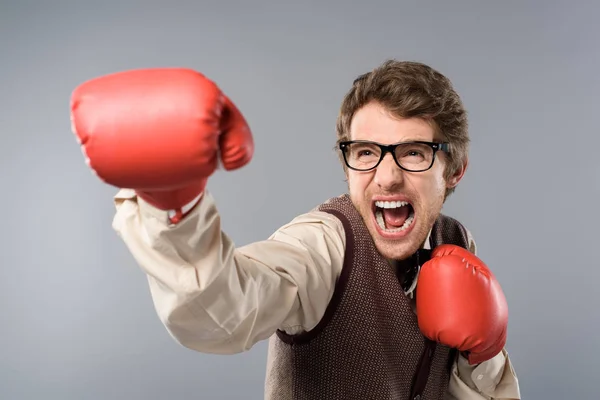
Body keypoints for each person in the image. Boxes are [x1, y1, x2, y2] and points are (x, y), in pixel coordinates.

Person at [71, 60, 521, 399]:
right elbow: (223, 310)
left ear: (454, 169)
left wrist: (484, 357)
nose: (386, 177)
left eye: (414, 152)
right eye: (365, 152)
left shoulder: (455, 241)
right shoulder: (322, 244)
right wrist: (170, 202)